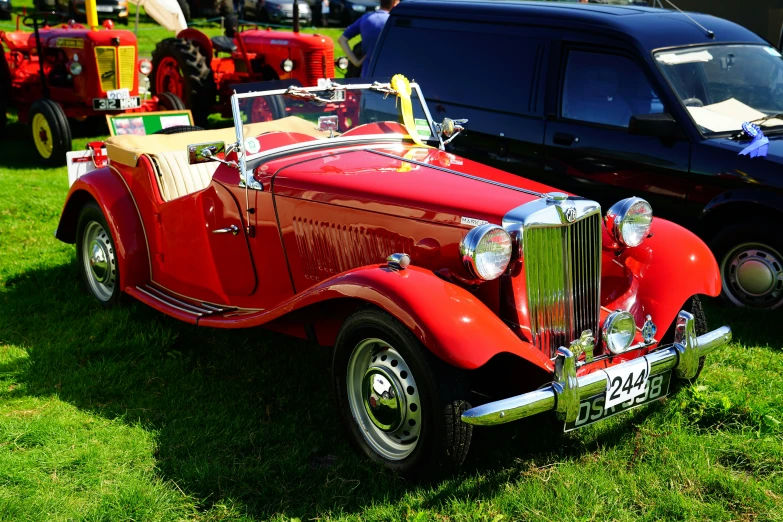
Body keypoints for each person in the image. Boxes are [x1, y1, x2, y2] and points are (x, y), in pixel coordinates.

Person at [338, 0, 399, 78]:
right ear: (394, 3)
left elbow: (342, 39)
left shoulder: (365, 18)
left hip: (366, 75)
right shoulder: (394, 21)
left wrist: (355, 62)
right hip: (389, 75)